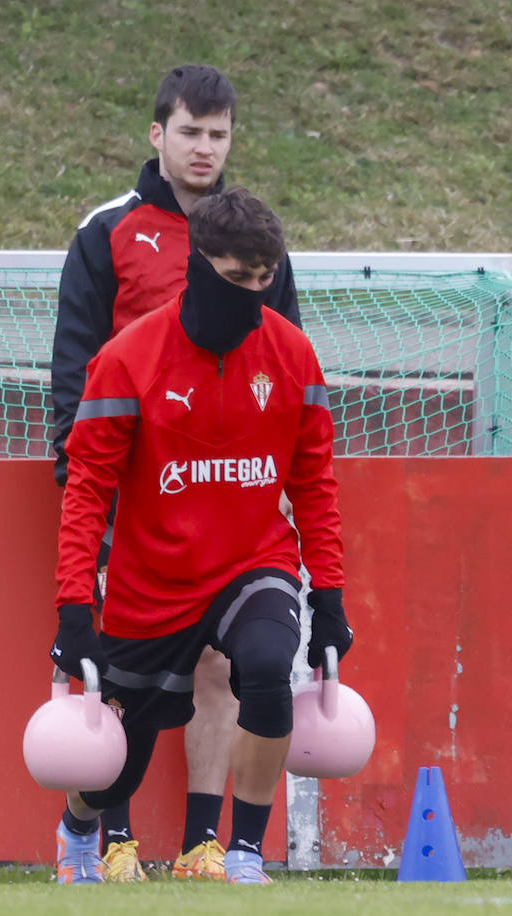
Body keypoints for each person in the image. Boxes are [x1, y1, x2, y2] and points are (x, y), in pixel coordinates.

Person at [49, 186, 353, 886]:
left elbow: (314, 486)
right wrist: (74, 606)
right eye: (236, 278)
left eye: (263, 279)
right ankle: (78, 829)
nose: (252, 294)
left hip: (254, 562)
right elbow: (87, 489)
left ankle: (242, 853)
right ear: (197, 265)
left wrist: (329, 594)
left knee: (271, 668)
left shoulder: (294, 357)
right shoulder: (127, 360)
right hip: (151, 582)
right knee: (115, 759)